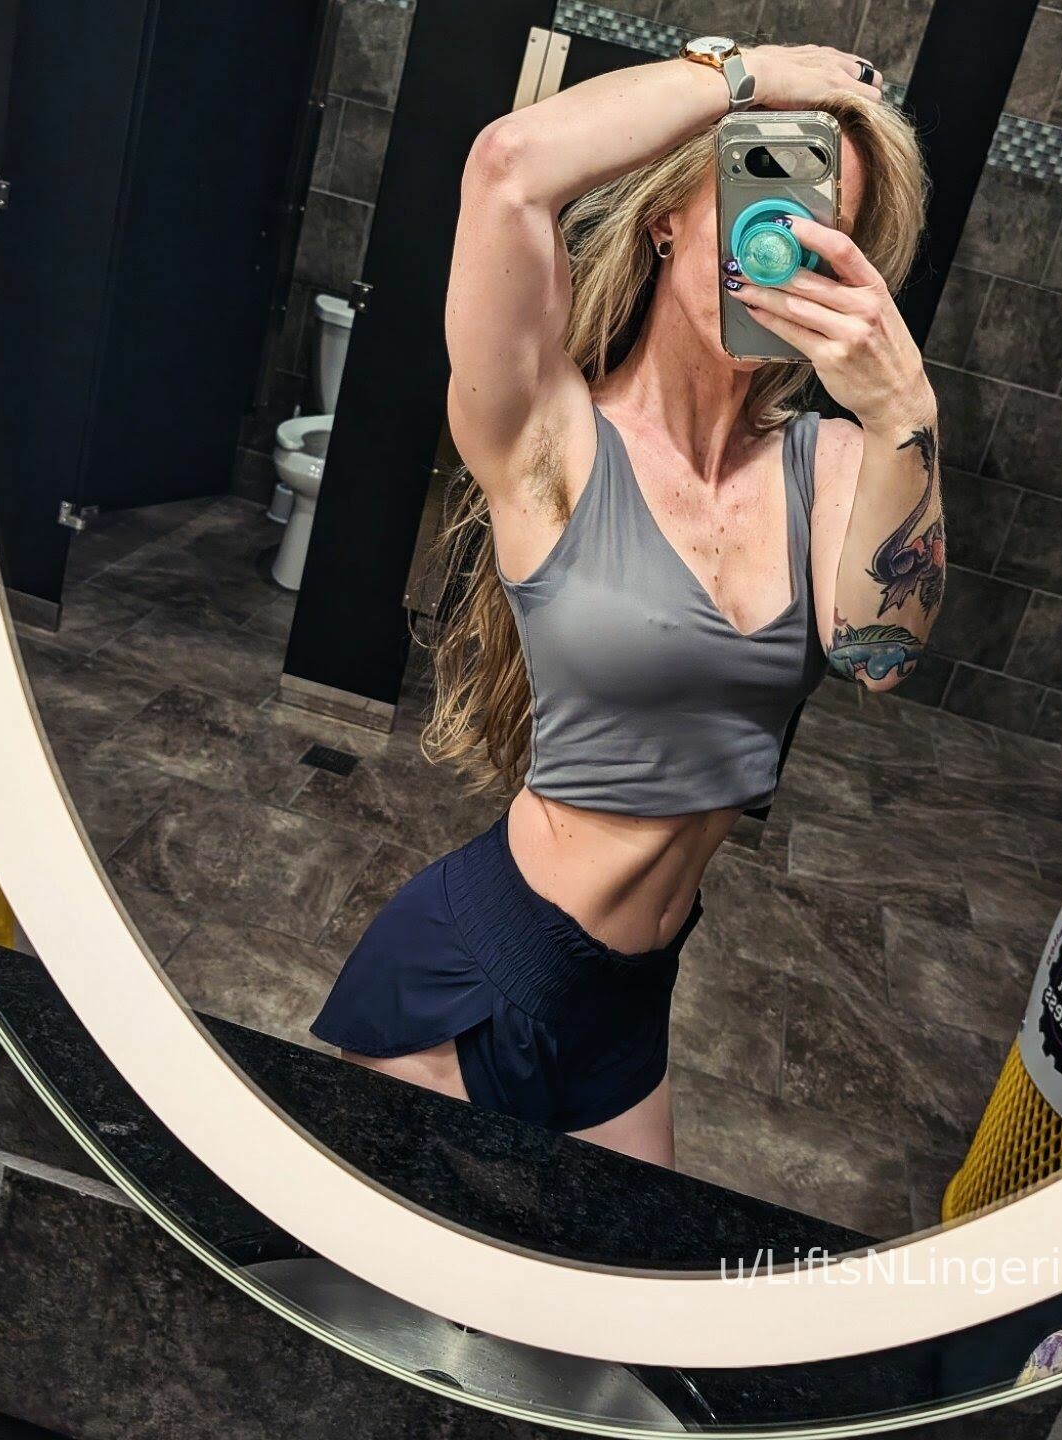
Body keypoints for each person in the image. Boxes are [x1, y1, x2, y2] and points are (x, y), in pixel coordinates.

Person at [310, 39, 944, 1167]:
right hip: (480, 976)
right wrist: (749, 74)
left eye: (817, 225)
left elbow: (879, 657)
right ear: (666, 218)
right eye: (755, 186)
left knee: (624, 1277)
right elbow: (508, 166)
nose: (776, 239)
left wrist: (905, 416)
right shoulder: (550, 435)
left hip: (631, 1003)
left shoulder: (838, 463)